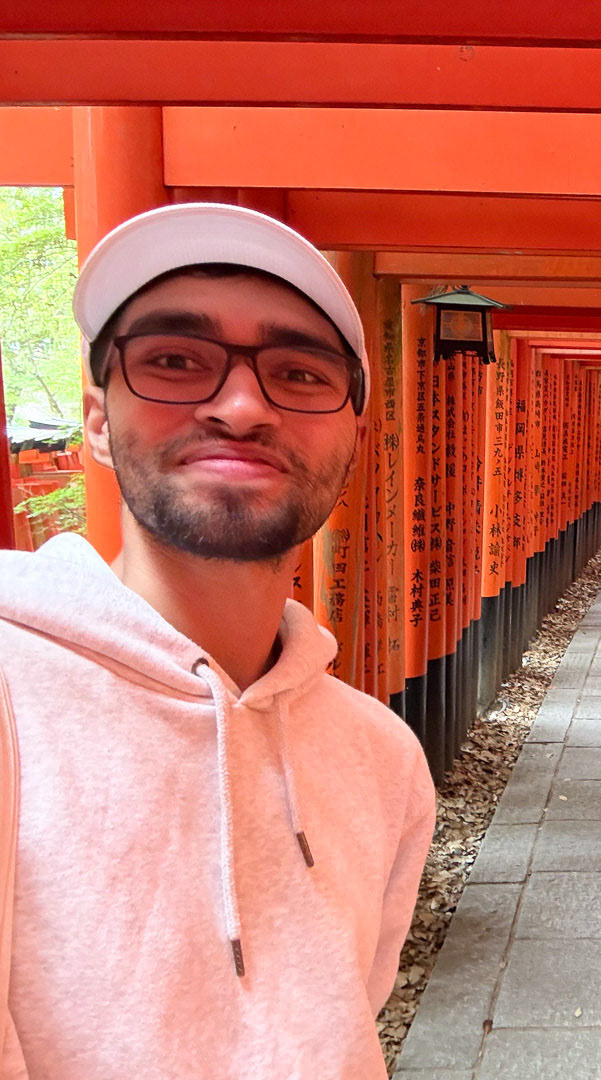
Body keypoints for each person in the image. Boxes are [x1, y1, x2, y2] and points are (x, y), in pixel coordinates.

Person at [0, 203, 436, 1078]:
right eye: (175, 362)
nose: (241, 407)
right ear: (95, 418)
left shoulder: (382, 758)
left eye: (300, 374)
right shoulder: (16, 696)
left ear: (355, 438)